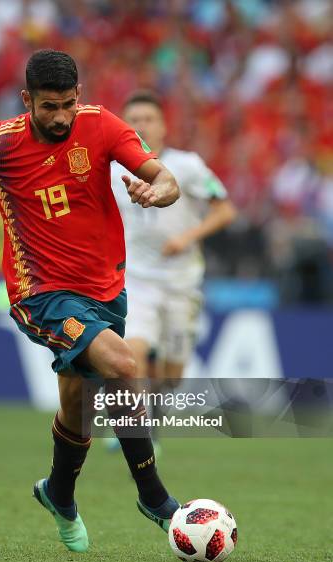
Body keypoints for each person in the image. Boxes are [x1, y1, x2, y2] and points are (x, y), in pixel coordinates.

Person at [0, 50, 181, 553]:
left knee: (78, 403)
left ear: (79, 96)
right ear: (26, 100)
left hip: (105, 290)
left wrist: (158, 190)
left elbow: (164, 176)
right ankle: (155, 498)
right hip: (41, 294)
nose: (59, 117)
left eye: (66, 105)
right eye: (48, 106)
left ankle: (58, 492)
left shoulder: (100, 127)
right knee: (122, 364)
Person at [111, 90, 236, 443]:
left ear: (164, 126)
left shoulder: (188, 166)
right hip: (135, 278)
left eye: (148, 119)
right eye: (133, 120)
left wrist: (187, 237)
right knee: (131, 354)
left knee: (172, 374)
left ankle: (155, 424)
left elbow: (225, 210)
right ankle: (130, 428)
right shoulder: (110, 170)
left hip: (182, 281)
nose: (141, 126)